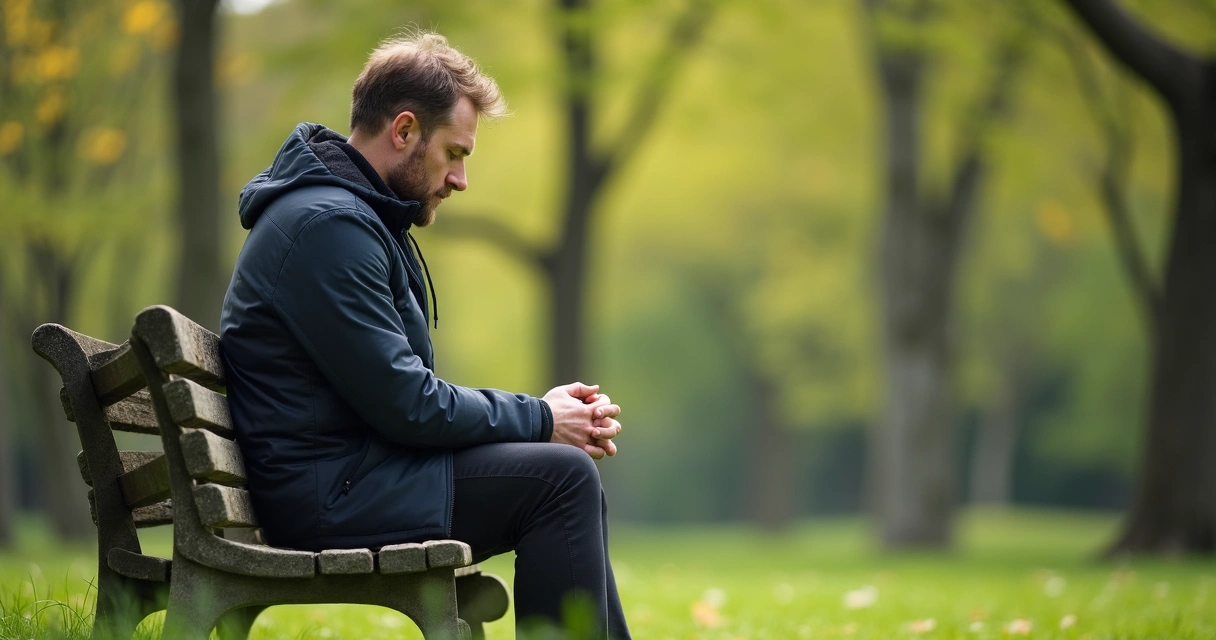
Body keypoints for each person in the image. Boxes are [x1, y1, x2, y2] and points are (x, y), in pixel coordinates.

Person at [218, 31, 630, 638]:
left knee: (559, 471)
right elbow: (408, 404)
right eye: (454, 154)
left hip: (349, 475)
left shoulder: (346, 217)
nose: (460, 179)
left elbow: (401, 398)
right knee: (559, 478)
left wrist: (545, 422)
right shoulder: (327, 228)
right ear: (404, 130)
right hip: (329, 495)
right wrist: (541, 418)